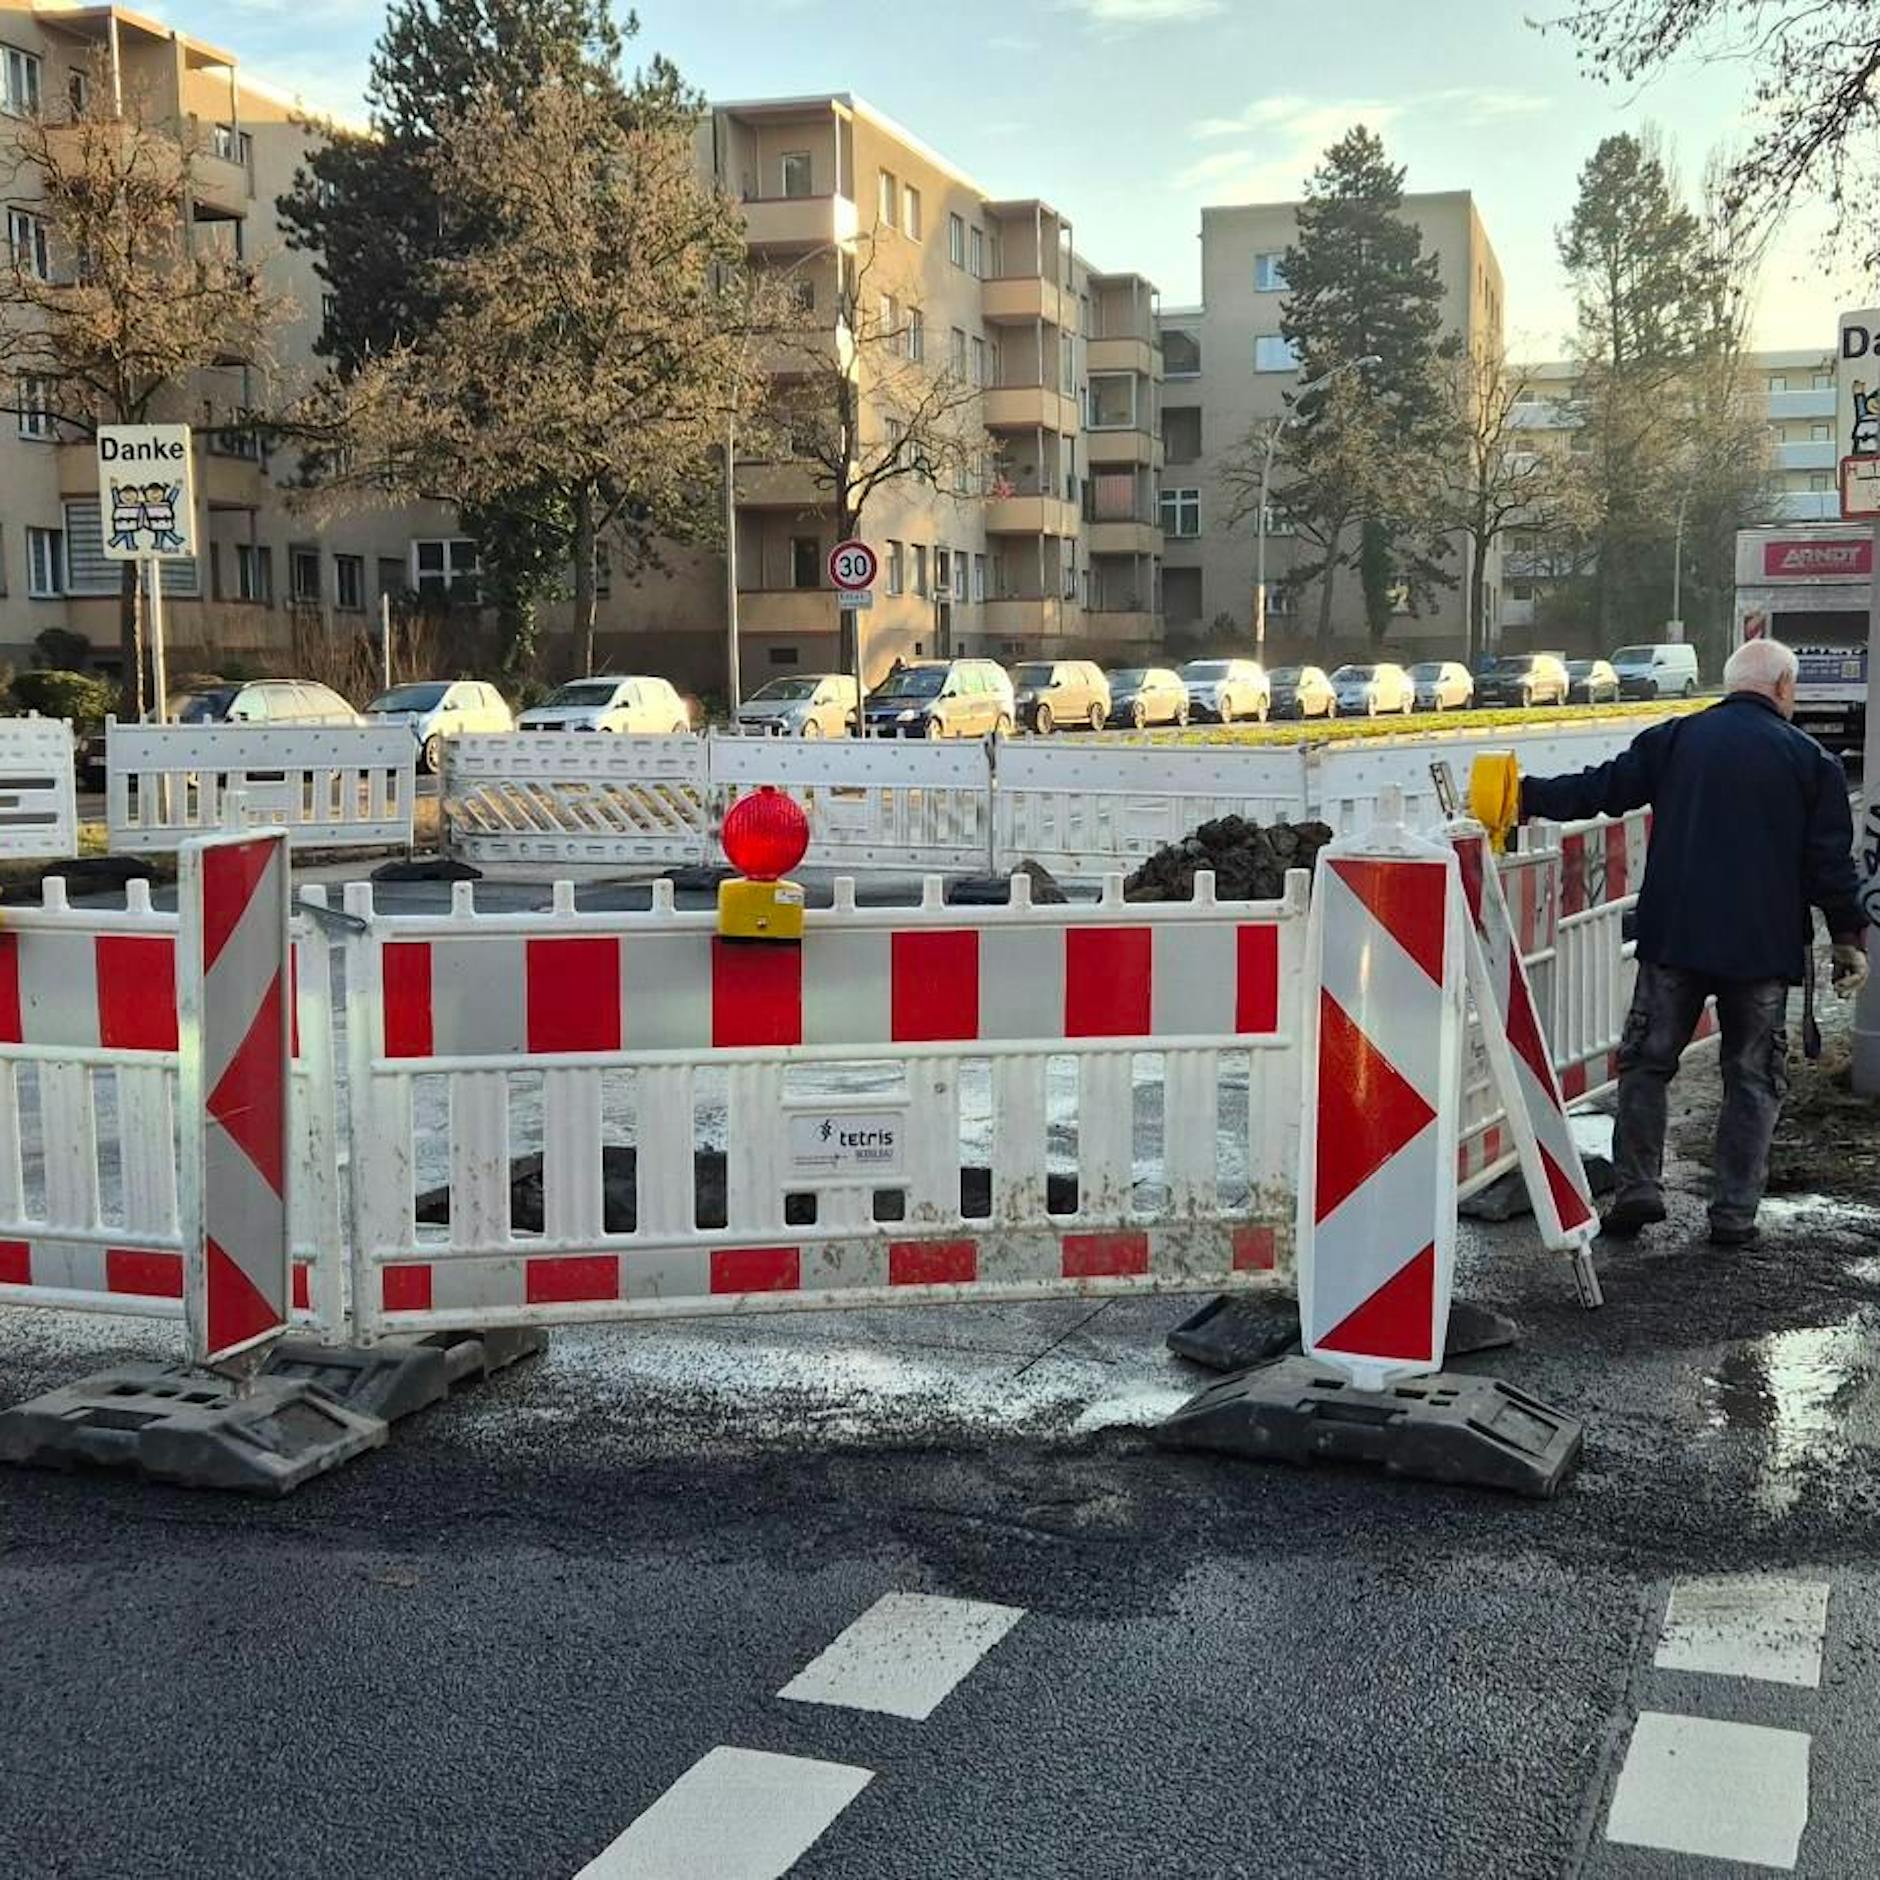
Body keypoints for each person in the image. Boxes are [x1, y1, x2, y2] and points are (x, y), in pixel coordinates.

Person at [1516, 638, 1869, 1247]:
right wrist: (1847, 938)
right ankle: (1733, 1214)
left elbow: (1601, 790)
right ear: (1783, 687)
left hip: (1675, 936)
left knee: (1646, 1064)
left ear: (1731, 684)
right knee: (1753, 1077)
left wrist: (1523, 795)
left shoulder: (1677, 740)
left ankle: (1638, 1189)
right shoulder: (1812, 761)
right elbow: (1828, 863)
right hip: (1760, 950)